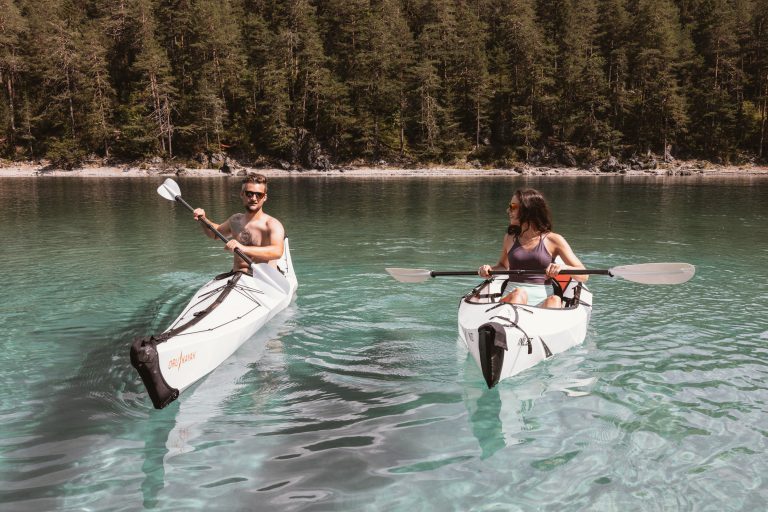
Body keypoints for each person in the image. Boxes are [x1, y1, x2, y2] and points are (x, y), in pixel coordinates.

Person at [478, 188, 587, 308]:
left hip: (543, 301)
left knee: (555, 300)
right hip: (514, 296)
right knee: (520, 293)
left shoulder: (554, 240)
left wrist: (563, 267)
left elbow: (583, 276)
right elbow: (503, 266)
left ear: (528, 210)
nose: (508, 210)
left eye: (513, 206)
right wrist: (489, 270)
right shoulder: (510, 237)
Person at [192, 173, 285, 273]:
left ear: (265, 197)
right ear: (242, 194)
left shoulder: (272, 224)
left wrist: (242, 248)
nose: (254, 198)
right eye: (249, 193)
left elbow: (277, 251)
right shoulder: (235, 220)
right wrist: (203, 219)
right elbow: (215, 234)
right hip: (237, 276)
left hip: (264, 277)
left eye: (259, 194)